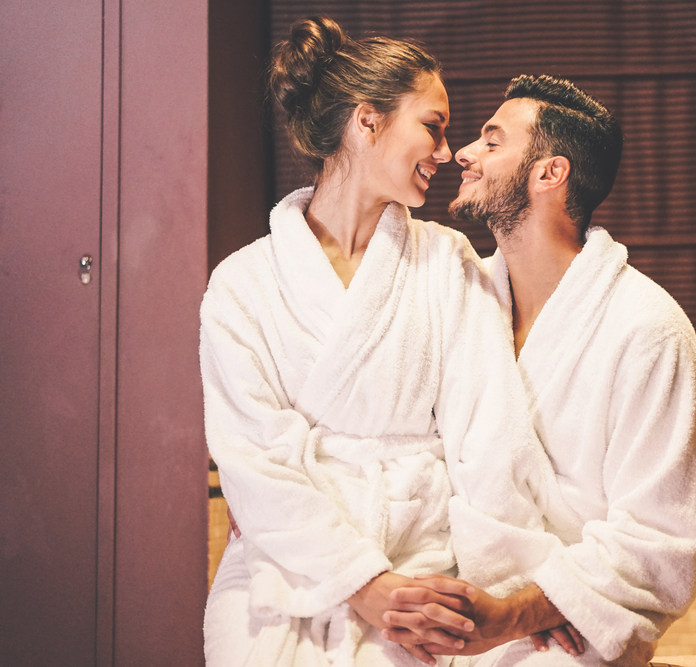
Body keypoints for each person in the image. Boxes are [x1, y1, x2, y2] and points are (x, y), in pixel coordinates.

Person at [201, 20, 568, 667]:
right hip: (287, 569)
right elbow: (254, 465)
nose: (447, 150)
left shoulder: (448, 261)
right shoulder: (241, 285)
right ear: (367, 122)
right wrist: (364, 585)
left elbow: (490, 439)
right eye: (433, 125)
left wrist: (519, 599)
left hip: (422, 562)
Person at [381, 75, 696, 667]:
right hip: (446, 627)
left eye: (492, 141)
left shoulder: (646, 331)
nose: (462, 152)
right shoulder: (461, 303)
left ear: (548, 174)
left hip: (568, 641)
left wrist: (517, 614)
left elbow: (663, 546)